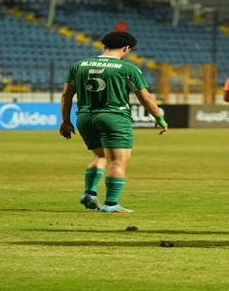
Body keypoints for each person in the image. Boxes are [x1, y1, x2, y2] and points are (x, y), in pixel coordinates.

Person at [59, 32, 168, 213]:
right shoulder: (127, 68)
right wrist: (159, 118)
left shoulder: (79, 65)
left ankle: (90, 194)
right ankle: (111, 205)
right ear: (126, 48)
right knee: (118, 162)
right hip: (114, 117)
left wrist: (65, 121)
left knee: (101, 155)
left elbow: (66, 95)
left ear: (104, 46)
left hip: (85, 118)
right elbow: (146, 98)